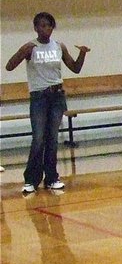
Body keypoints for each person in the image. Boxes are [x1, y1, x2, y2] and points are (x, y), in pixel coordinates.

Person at [5, 12, 91, 198]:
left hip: (57, 96)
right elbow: (9, 66)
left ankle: (52, 177)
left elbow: (75, 68)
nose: (45, 29)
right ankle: (30, 179)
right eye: (41, 26)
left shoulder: (59, 46)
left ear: (53, 28)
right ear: (35, 28)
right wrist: (22, 52)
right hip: (39, 97)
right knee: (38, 138)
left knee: (52, 139)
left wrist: (82, 53)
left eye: (49, 25)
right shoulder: (31, 47)